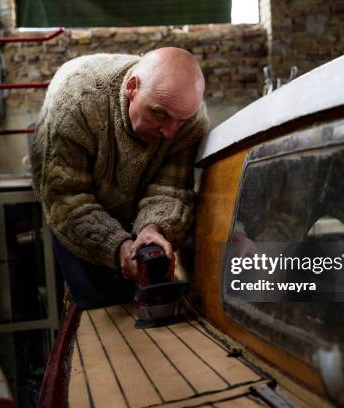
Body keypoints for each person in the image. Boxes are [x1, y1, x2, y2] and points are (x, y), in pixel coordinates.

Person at [30, 47, 209, 309]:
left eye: (180, 121)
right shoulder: (75, 101)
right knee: (98, 303)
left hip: (135, 202)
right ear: (132, 88)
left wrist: (152, 229)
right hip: (75, 204)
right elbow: (67, 198)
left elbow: (170, 191)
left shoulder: (188, 117)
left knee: (147, 292)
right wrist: (118, 246)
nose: (170, 132)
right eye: (160, 114)